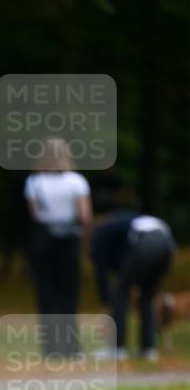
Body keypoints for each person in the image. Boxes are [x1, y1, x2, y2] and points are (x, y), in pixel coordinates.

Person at [24, 139, 92, 357]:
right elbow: (83, 216)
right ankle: (71, 348)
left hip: (44, 240)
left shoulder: (34, 182)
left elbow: (35, 214)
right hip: (69, 240)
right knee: (69, 294)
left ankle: (50, 348)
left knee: (46, 294)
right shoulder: (77, 181)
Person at [91, 211, 176, 361]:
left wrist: (106, 299)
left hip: (145, 242)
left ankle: (117, 349)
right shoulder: (122, 224)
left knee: (120, 294)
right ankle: (148, 349)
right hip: (168, 245)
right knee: (147, 296)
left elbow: (101, 270)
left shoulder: (100, 234)